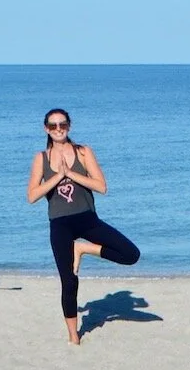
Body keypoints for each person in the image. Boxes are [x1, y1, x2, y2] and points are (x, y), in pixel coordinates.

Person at [27, 108, 141, 344]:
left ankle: (83, 248)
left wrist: (71, 174)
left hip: (87, 219)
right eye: (53, 125)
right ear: (45, 129)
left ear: (69, 126)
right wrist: (57, 177)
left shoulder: (83, 152)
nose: (58, 129)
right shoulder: (41, 158)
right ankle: (73, 335)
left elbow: (101, 186)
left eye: (62, 124)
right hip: (60, 224)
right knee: (69, 281)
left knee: (131, 254)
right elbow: (31, 196)